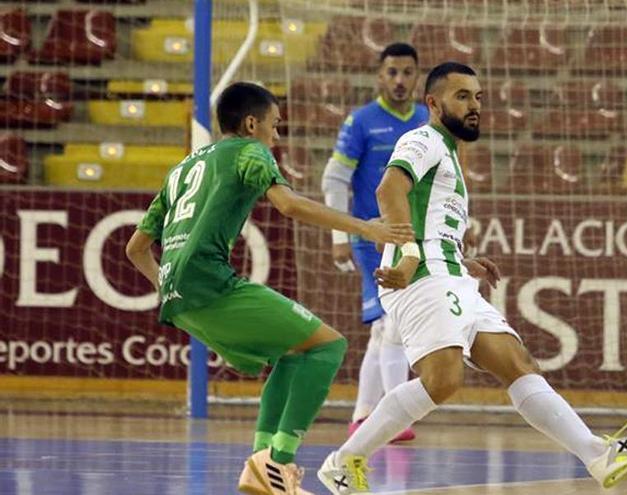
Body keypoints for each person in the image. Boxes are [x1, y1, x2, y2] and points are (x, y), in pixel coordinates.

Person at [316, 62, 627, 494]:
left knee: (517, 363)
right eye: (462, 96)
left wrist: (463, 257)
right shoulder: (423, 139)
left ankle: (598, 455)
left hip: (450, 274)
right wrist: (408, 255)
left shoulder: (449, 154)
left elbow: (432, 218)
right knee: (441, 381)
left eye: (478, 97)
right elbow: (388, 190)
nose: (474, 105)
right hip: (424, 277)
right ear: (433, 103)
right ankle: (345, 461)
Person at [125, 82, 413, 495]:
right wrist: (365, 227)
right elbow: (290, 205)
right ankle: (278, 463)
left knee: (294, 352)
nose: (276, 136)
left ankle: (264, 467)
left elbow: (135, 249)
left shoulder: (183, 167)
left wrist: (168, 287)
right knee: (329, 346)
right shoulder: (250, 151)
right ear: (250, 123)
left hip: (176, 296)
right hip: (210, 281)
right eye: (274, 126)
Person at [322, 42, 428, 442]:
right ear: (379, 77)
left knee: (383, 331)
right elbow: (333, 179)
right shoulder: (362, 122)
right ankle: (395, 417)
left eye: (407, 72)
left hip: (413, 239)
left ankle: (363, 416)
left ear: (418, 76)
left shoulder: (425, 120)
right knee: (392, 321)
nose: (400, 80)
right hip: (372, 238)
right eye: (392, 72)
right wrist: (339, 234)